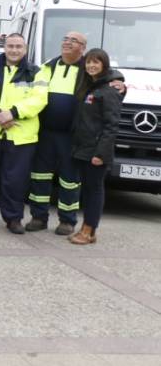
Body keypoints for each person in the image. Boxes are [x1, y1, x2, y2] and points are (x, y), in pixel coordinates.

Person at [0, 34, 48, 234]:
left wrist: (12, 113)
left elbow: (39, 100)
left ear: (25, 48)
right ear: (4, 47)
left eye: (18, 46)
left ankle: (13, 218)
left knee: (15, 180)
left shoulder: (36, 73)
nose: (14, 50)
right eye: (11, 46)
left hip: (21, 135)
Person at [25, 31, 89, 235]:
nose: (67, 43)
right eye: (65, 39)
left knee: (70, 180)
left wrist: (120, 84)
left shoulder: (88, 69)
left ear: (83, 48)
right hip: (45, 133)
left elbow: (109, 78)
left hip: (72, 135)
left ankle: (67, 221)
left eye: (73, 41)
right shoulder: (48, 67)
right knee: (40, 175)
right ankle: (38, 217)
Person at [69, 48, 124, 245]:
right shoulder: (91, 86)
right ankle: (86, 229)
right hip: (84, 149)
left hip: (96, 152)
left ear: (104, 65)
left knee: (94, 191)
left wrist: (100, 153)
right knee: (89, 190)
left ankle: (89, 231)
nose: (92, 65)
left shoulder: (109, 90)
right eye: (89, 62)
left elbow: (111, 126)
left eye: (96, 62)